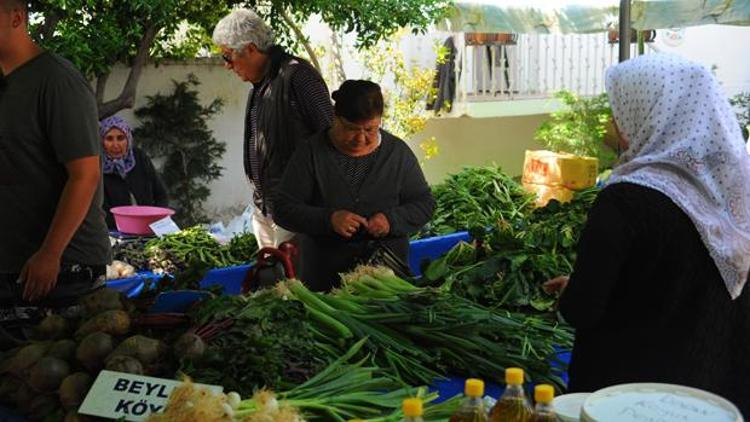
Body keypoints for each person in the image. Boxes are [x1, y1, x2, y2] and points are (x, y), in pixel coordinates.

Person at [545, 54, 750, 415]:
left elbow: (583, 309)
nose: (612, 122)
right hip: (712, 398)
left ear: (652, 113)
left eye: (618, 109)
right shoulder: (738, 197)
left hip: (630, 398)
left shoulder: (626, 200)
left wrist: (574, 292)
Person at [0, 0, 110, 317]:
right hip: (13, 264)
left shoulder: (57, 81)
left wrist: (50, 253)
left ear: (17, 17)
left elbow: (85, 175)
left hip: (64, 268)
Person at [274, 80, 435, 291]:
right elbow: (283, 209)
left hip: (388, 282)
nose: (361, 138)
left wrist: (391, 220)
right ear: (335, 117)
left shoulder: (397, 153)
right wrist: (329, 220)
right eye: (351, 129)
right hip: (326, 281)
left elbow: (425, 204)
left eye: (370, 129)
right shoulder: (311, 154)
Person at [212, 8, 334, 249]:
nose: (227, 65)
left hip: (297, 210)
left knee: (296, 284)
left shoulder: (298, 76)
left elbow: (331, 137)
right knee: (271, 282)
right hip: (266, 210)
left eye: (228, 56)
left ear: (249, 49)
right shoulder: (261, 86)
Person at [100, 115, 169, 229]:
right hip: (115, 231)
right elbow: (102, 211)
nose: (115, 144)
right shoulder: (97, 165)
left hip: (151, 226)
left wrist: (155, 222)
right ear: (102, 141)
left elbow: (161, 195)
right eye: (109, 139)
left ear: (128, 139)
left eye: (121, 138)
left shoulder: (139, 157)